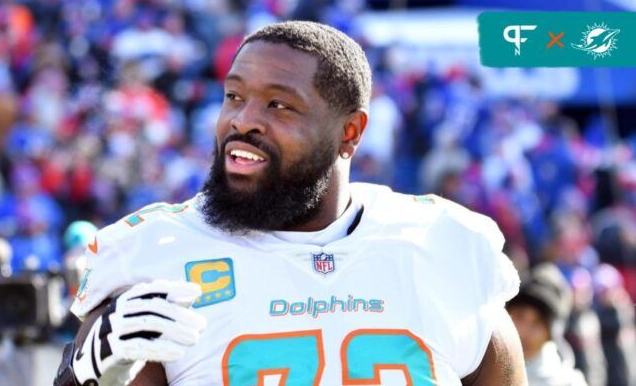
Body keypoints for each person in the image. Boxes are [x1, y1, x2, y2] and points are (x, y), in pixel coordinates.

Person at [54, 21, 525, 386]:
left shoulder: (444, 244)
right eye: (234, 96)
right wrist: (86, 369)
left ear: (351, 133)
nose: (244, 121)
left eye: (279, 105)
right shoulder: (154, 252)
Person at [506, 263, 587, 386]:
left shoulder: (568, 382)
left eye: (538, 322)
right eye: (519, 316)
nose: (524, 330)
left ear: (552, 333)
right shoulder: (477, 370)